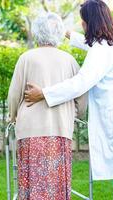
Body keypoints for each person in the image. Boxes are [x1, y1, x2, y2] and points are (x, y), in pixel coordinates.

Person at [24, 1, 113, 199]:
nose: (82, 25)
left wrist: (43, 93)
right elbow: (91, 45)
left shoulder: (102, 50)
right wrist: (66, 33)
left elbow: (80, 83)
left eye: (83, 22)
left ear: (91, 23)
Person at [7, 13, 87, 200]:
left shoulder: (26, 58)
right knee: (57, 184)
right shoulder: (70, 61)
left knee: (30, 183)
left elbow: (13, 95)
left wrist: (13, 116)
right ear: (59, 33)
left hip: (29, 130)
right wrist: (73, 113)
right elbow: (82, 98)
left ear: (36, 32)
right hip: (60, 129)